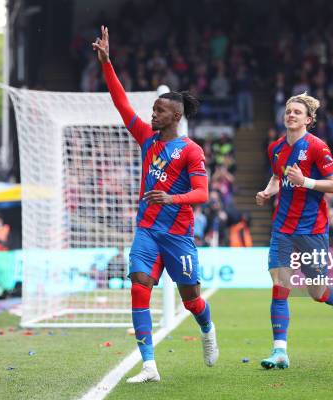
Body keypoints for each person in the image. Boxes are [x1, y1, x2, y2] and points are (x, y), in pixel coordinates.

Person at [93, 26, 218, 383]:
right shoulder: (146, 138)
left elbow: (202, 194)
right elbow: (120, 102)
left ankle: (207, 329)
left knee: (192, 299)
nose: (152, 114)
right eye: (153, 108)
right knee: (138, 287)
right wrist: (107, 63)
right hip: (147, 230)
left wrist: (171, 197)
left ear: (175, 116)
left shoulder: (191, 150)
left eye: (159, 110)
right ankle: (149, 364)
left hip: (178, 234)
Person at [255, 92, 333, 370]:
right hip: (282, 228)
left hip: (312, 229)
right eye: (288, 111)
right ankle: (280, 351)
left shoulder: (318, 147)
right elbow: (277, 177)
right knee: (280, 285)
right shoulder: (275, 148)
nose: (291, 115)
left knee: (316, 290)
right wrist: (267, 192)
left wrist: (305, 181)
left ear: (308, 120)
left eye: (297, 112)